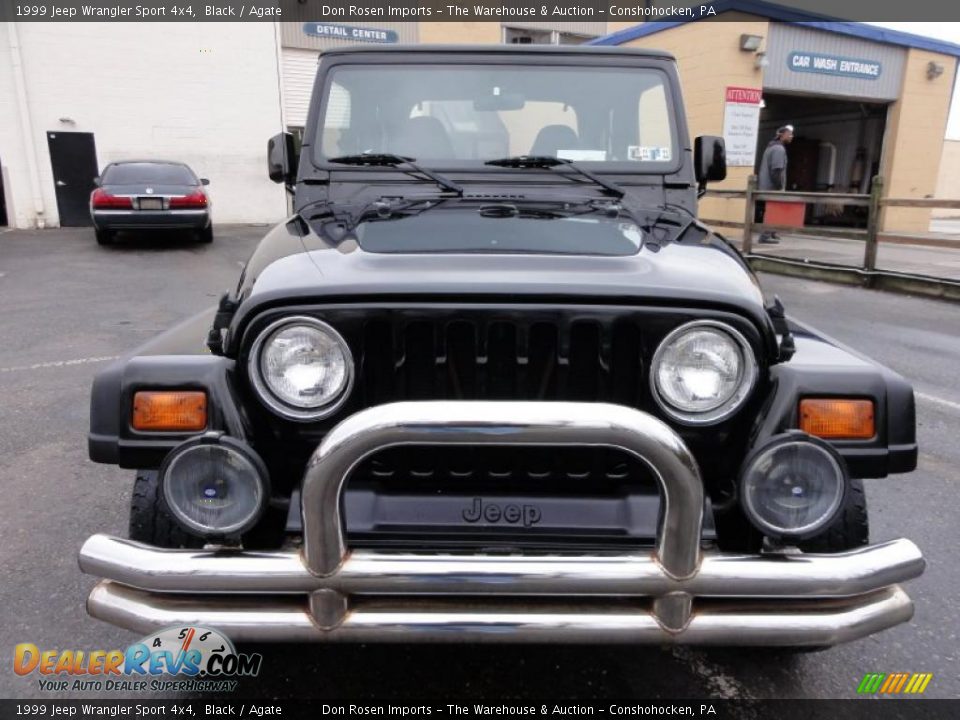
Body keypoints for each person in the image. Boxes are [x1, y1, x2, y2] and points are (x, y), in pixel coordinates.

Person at [756, 124, 794, 244]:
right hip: (772, 187)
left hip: (766, 186)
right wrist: (778, 186)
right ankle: (765, 236)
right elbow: (776, 170)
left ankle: (771, 233)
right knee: (772, 211)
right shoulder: (778, 149)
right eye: (789, 134)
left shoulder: (771, 147)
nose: (791, 136)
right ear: (782, 135)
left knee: (773, 211)